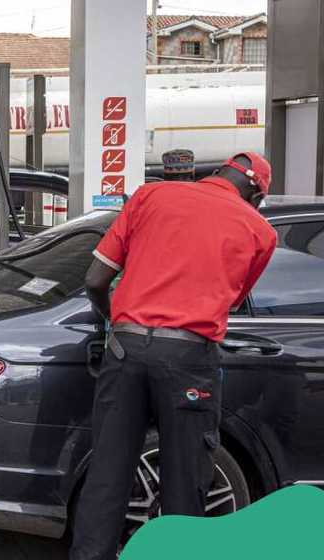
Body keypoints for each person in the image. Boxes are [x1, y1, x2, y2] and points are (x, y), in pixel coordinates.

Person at [70, 153, 277, 560]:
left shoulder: (149, 196)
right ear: (254, 193)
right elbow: (231, 301)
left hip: (124, 350)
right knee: (185, 481)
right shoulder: (259, 231)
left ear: (217, 174)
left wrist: (117, 323)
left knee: (107, 475)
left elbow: (95, 279)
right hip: (188, 358)